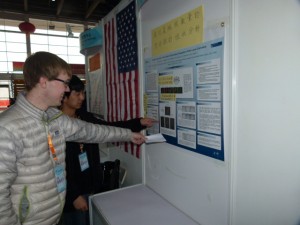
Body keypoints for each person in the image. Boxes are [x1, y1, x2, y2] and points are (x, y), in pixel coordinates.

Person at [0, 51, 146, 225]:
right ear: (44, 81)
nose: (67, 89)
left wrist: (128, 135)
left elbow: (92, 131)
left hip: (54, 216)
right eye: (65, 83)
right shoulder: (7, 128)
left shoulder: (54, 118)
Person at [59, 75, 155, 225]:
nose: (82, 98)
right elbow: (56, 167)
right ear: (64, 97)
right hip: (71, 195)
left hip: (90, 187)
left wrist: (139, 122)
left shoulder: (85, 117)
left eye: (83, 93)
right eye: (77, 94)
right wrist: (73, 195)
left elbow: (109, 128)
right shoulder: (55, 126)